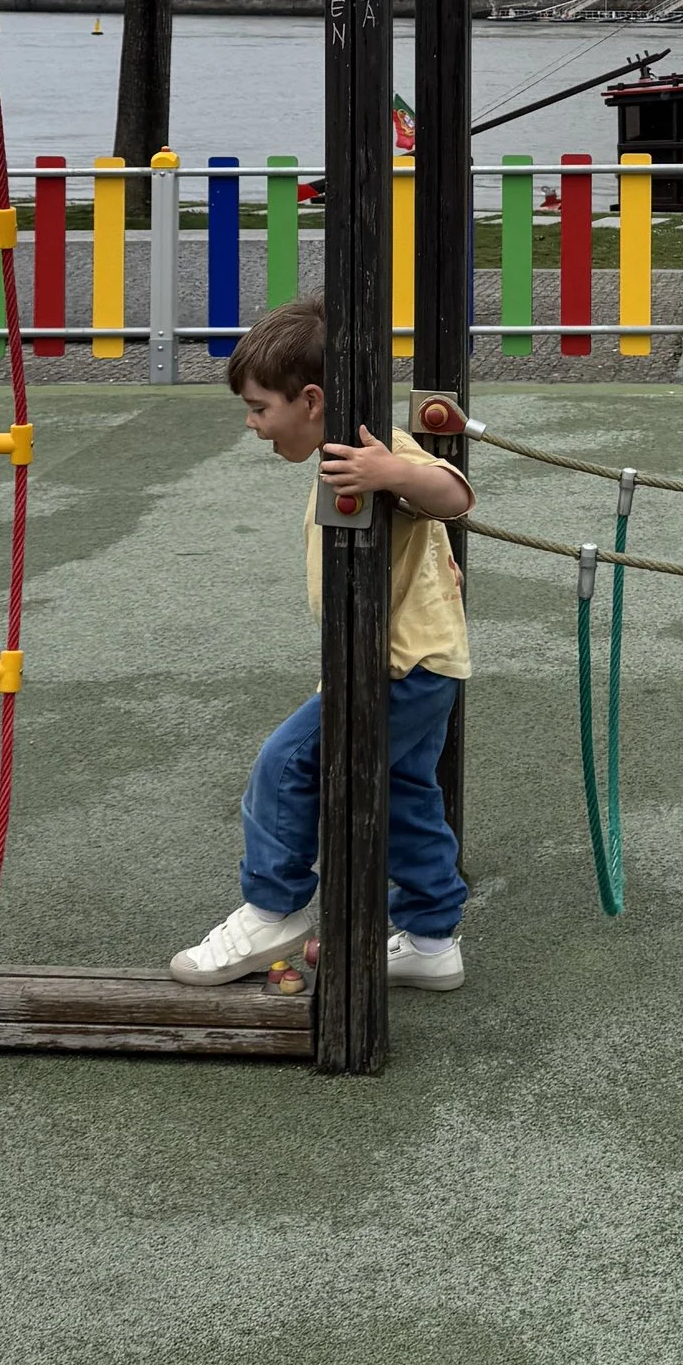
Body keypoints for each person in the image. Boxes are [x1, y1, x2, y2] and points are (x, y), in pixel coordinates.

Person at [169, 295, 473, 994]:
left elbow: (454, 493)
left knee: (287, 762)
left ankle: (271, 908)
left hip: (400, 665)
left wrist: (393, 473)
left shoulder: (374, 447)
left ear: (310, 399)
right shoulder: (341, 446)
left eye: (257, 406)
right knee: (404, 797)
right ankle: (431, 940)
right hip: (419, 661)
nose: (251, 422)